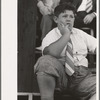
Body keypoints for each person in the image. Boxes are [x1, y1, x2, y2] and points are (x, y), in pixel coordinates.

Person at [34, 3, 97, 100]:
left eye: (71, 17)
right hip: (60, 76)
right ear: (56, 19)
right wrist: (66, 35)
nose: (68, 19)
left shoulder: (80, 34)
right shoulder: (51, 35)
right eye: (64, 16)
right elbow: (51, 54)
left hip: (82, 78)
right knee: (44, 61)